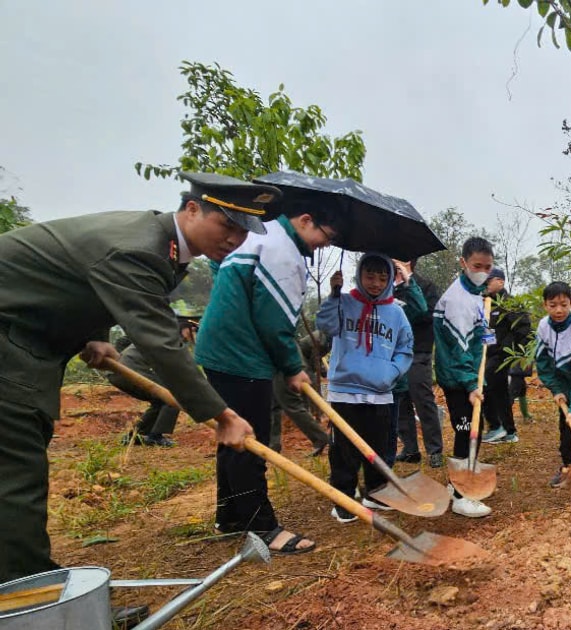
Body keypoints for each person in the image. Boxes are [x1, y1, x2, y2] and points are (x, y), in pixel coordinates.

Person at [0, 172, 261, 584]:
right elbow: (161, 343)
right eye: (227, 224)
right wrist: (222, 415)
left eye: (244, 231)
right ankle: (35, 599)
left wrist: (95, 336)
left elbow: (79, 279)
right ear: (192, 209)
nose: (234, 238)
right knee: (16, 473)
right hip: (9, 344)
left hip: (25, 339)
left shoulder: (162, 244)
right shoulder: (139, 247)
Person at [194, 191, 342, 554]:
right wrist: (292, 367)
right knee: (250, 441)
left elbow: (224, 272)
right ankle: (261, 526)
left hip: (221, 348)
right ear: (305, 220)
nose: (324, 245)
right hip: (241, 353)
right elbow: (273, 321)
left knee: (233, 436)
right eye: (327, 235)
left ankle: (230, 516)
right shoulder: (283, 253)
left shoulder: (259, 235)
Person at [316, 254, 414, 523]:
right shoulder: (344, 302)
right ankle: (344, 499)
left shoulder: (396, 312)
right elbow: (325, 325)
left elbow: (406, 348)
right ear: (360, 275)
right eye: (370, 276)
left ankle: (376, 492)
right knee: (344, 449)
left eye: (382, 278)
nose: (375, 283)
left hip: (380, 392)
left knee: (379, 446)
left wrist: (391, 373)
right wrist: (334, 294)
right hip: (344, 390)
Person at [433, 236, 497, 517]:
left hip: (470, 372)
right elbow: (458, 350)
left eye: (487, 266)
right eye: (476, 265)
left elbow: (476, 338)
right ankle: (461, 494)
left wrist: (487, 334)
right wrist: (471, 384)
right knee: (466, 429)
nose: (482, 271)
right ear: (463, 263)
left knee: (471, 427)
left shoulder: (475, 294)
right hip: (459, 377)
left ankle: (455, 484)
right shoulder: (458, 299)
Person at [535, 281, 571, 501]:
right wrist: (556, 390)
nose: (559, 310)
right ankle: (567, 466)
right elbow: (543, 363)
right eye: (553, 305)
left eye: (564, 304)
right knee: (565, 429)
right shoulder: (543, 327)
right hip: (563, 385)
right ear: (545, 305)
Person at [108, 317, 198, 448]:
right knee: (173, 396)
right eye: (194, 330)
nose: (195, 335)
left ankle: (136, 436)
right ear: (185, 328)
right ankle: (155, 436)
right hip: (131, 372)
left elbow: (123, 341)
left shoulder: (160, 332)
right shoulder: (172, 339)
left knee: (159, 400)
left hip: (116, 372)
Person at [392, 258, 445, 467]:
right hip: (395, 353)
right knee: (400, 401)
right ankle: (410, 448)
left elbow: (431, 314)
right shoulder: (388, 287)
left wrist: (407, 310)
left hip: (418, 351)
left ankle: (435, 450)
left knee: (422, 400)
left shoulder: (427, 286)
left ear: (408, 261)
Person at [481, 268, 532, 444]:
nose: (486, 284)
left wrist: (517, 355)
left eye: (489, 280)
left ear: (500, 282)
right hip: (489, 354)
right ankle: (508, 431)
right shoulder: (487, 303)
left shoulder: (510, 304)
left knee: (488, 385)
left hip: (503, 355)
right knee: (499, 391)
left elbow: (524, 330)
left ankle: (498, 427)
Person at [385, 259, 428, 466]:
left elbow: (420, 309)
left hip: (399, 366)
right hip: (379, 369)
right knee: (386, 421)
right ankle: (391, 458)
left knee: (397, 411)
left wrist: (407, 279)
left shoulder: (400, 300)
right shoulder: (378, 298)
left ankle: (389, 462)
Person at [269, 328, 331, 456]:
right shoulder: (322, 337)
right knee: (274, 405)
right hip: (285, 362)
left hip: (287, 362)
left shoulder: (324, 338)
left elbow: (315, 359)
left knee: (291, 404)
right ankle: (273, 444)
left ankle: (319, 437)